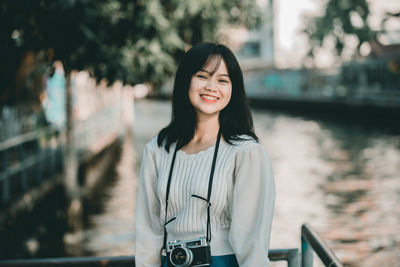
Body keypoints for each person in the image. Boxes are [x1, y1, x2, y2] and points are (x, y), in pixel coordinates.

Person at [134, 42, 275, 267]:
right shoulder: (157, 149)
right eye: (202, 76)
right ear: (186, 80)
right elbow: (148, 231)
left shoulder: (246, 153)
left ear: (233, 90)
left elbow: (252, 242)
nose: (211, 87)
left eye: (222, 80)